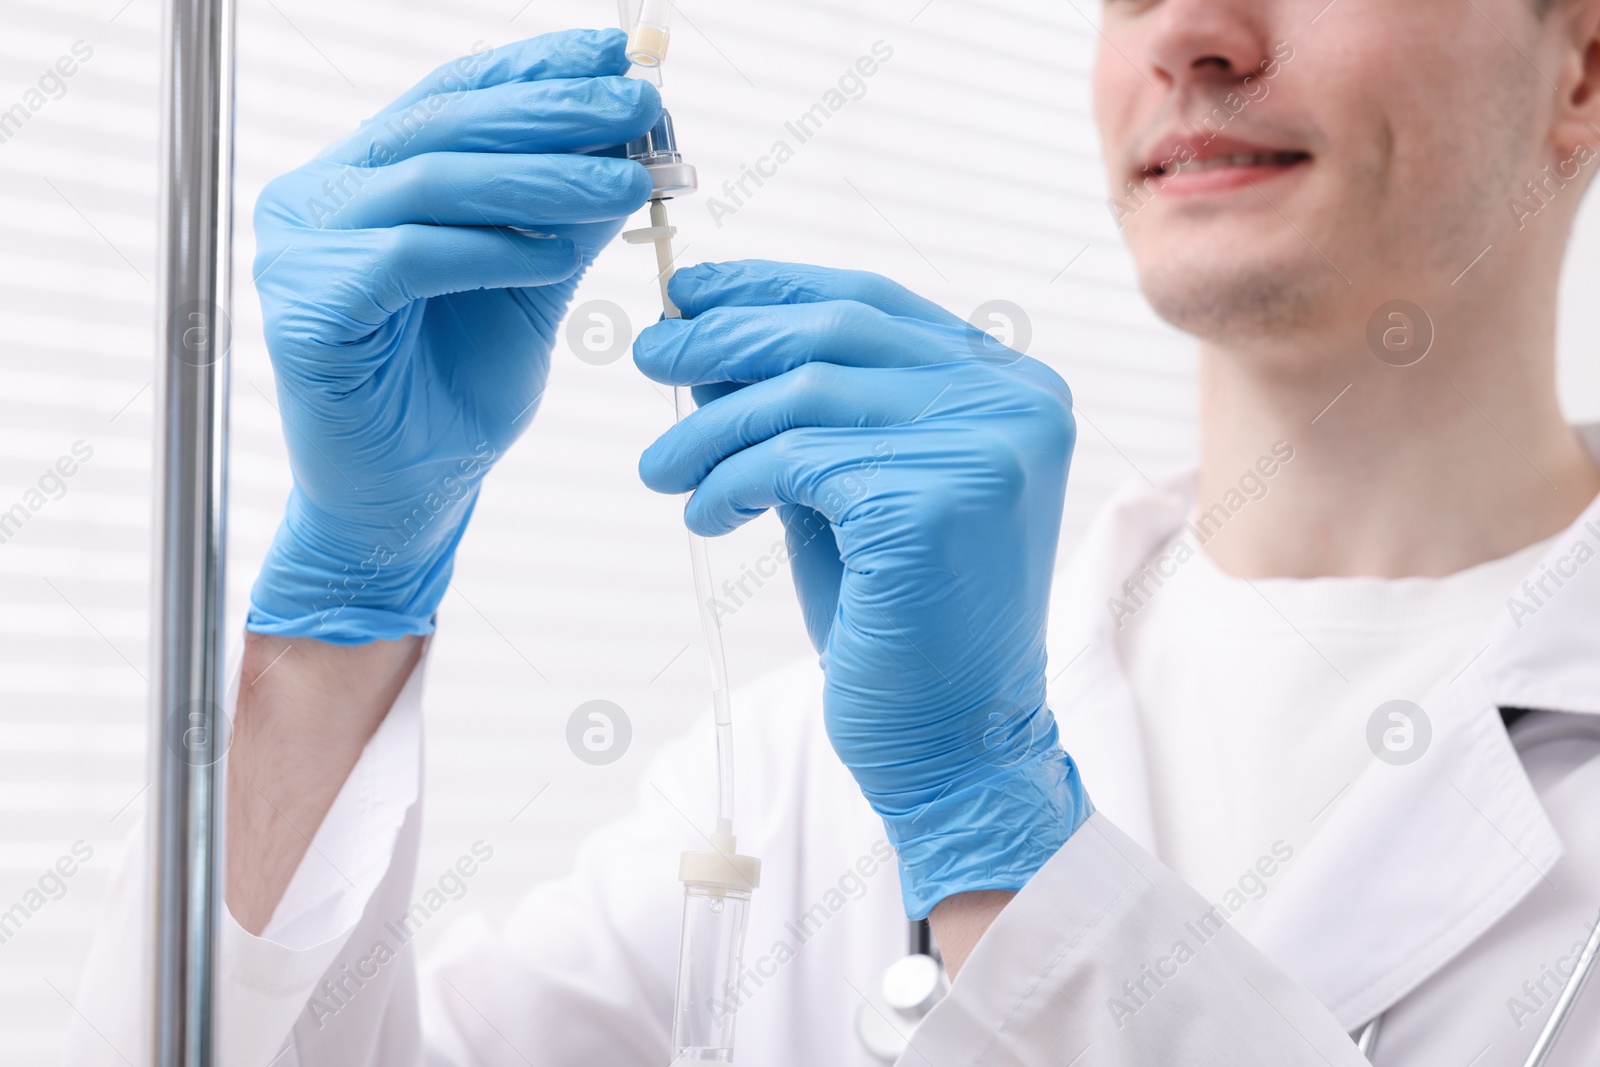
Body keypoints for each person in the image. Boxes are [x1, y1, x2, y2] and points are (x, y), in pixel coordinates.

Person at [68, 0, 1600, 1062]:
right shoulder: (810, 756)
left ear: (1582, 66)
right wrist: (350, 598)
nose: (1192, 34)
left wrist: (993, 829)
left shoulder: (931, 736)